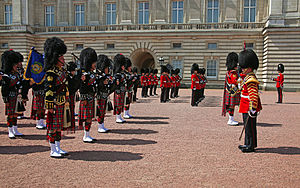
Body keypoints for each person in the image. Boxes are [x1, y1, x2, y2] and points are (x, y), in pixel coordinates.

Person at [44, 37, 70, 158]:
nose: (63, 59)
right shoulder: (51, 72)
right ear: (56, 58)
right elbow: (49, 90)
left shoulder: (62, 70)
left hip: (62, 101)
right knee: (52, 127)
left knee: (59, 126)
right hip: (54, 103)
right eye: (61, 57)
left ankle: (58, 147)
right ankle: (52, 149)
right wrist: (49, 106)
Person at [238, 49, 262, 153]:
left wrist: (252, 108)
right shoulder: (247, 77)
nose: (242, 69)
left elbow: (253, 95)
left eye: (244, 67)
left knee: (250, 127)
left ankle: (251, 145)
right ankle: (247, 143)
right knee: (247, 126)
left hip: (249, 106)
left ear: (249, 67)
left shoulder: (251, 79)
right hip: (244, 105)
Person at [1, 50, 28, 139]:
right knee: (11, 114)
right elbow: (4, 89)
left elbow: (22, 85)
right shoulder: (6, 76)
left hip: (17, 96)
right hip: (10, 96)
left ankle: (15, 129)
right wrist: (6, 100)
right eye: (15, 64)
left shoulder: (17, 74)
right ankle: (10, 130)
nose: (17, 65)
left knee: (16, 114)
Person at [78, 48, 97, 143]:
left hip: (91, 97)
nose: (95, 64)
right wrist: (84, 98)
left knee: (90, 117)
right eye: (93, 62)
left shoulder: (91, 73)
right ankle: (86, 135)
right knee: (87, 117)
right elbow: (81, 87)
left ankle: (88, 134)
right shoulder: (83, 73)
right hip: (86, 98)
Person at [95, 54, 113, 133]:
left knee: (103, 111)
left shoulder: (105, 75)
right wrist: (102, 82)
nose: (108, 69)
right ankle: (100, 126)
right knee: (100, 111)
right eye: (106, 68)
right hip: (99, 96)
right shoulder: (98, 76)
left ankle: (102, 125)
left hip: (105, 95)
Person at [222, 52, 240, 126]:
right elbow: (235, 81)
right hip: (233, 91)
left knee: (231, 105)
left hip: (230, 91)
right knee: (232, 105)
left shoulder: (229, 72)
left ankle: (231, 119)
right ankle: (231, 119)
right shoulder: (233, 73)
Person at [67, 61, 80, 132]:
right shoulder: (68, 77)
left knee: (72, 109)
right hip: (67, 95)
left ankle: (71, 124)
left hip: (72, 94)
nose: (74, 72)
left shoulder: (73, 77)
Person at [113, 53, 127, 123]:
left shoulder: (122, 73)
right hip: (119, 91)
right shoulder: (117, 75)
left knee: (121, 104)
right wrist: (118, 92)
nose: (124, 67)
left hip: (123, 90)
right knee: (118, 104)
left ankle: (120, 116)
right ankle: (118, 117)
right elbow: (117, 84)